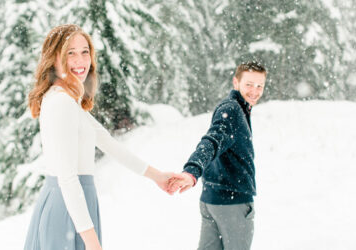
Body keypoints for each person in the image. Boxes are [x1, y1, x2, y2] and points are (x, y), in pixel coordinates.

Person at [24, 24, 177, 250]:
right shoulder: (61, 103)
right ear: (54, 58)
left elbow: (107, 142)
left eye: (85, 51)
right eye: (70, 52)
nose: (80, 60)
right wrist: (93, 244)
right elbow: (67, 178)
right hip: (68, 209)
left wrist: (158, 176)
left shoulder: (66, 100)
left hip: (75, 206)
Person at [169, 61, 267, 250]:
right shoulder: (232, 110)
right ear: (236, 82)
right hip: (233, 202)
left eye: (259, 85)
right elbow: (212, 141)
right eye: (249, 84)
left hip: (212, 199)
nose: (254, 91)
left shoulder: (235, 108)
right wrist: (192, 170)